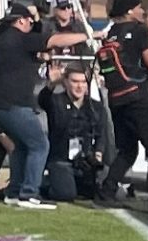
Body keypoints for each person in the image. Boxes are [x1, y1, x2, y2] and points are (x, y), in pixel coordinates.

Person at [93, 0, 148, 204]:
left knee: (128, 150)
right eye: (139, 7)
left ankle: (107, 191)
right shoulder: (139, 31)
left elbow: (136, 66)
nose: (142, 11)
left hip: (116, 98)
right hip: (137, 98)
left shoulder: (111, 33)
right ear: (130, 10)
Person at [0, 2, 54, 209]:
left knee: (22, 145)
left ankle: (14, 192)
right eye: (30, 22)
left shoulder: (3, 39)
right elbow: (52, 40)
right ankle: (29, 193)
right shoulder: (20, 39)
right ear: (22, 21)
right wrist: (88, 36)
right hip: (12, 103)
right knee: (39, 145)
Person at [44, 64, 115, 199]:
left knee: (106, 192)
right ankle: (46, 183)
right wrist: (51, 84)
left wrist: (98, 153)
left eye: (83, 82)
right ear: (65, 82)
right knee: (66, 194)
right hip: (61, 160)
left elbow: (101, 133)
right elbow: (43, 100)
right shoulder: (56, 101)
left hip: (85, 161)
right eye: (75, 81)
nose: (79, 86)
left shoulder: (95, 106)